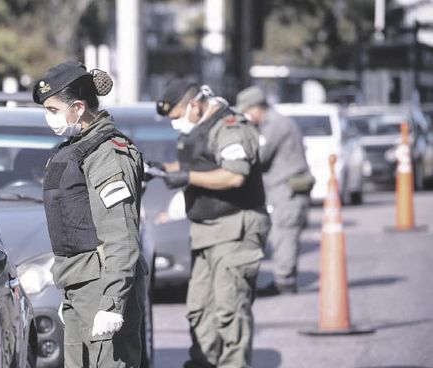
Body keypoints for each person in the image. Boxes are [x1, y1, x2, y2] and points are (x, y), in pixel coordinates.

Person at [33, 61, 146, 368]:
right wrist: (73, 295)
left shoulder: (107, 153)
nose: (49, 118)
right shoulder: (76, 148)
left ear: (79, 107)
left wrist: (111, 304)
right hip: (80, 287)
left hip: (103, 287)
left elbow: (122, 236)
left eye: (53, 110)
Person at [153, 79, 270, 368]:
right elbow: (200, 164)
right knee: (200, 311)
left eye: (177, 117)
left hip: (234, 229)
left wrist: (187, 178)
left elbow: (234, 175)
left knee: (229, 310)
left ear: (194, 105)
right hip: (205, 232)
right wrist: (156, 169)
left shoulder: (230, 127)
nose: (175, 125)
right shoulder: (198, 129)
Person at [235, 86, 313, 295]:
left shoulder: (276, 124)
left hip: (287, 191)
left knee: (283, 236)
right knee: (281, 236)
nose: (246, 117)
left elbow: (259, 154)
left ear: (256, 108)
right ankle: (284, 278)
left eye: (246, 112)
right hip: (281, 190)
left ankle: (284, 281)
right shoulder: (273, 123)